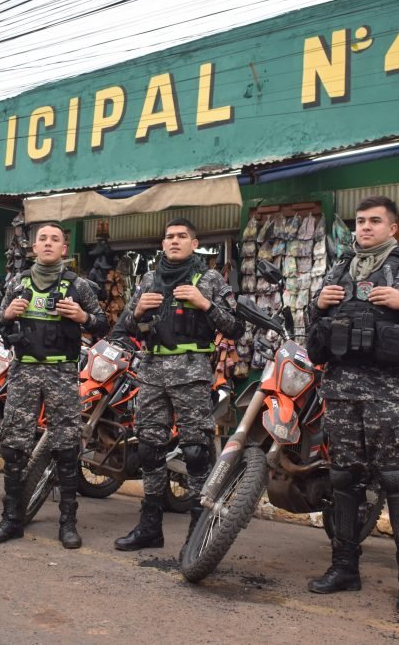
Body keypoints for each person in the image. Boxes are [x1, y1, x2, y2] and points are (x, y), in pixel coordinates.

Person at [306, 195, 399, 615]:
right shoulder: (339, 269)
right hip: (341, 390)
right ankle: (344, 568)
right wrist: (316, 305)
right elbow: (312, 327)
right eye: (360, 222)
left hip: (389, 394)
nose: (365, 228)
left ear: (394, 229)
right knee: (343, 480)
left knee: (396, 480)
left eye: (375, 221)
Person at [113, 218, 244, 553]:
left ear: (194, 242)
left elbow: (235, 328)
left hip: (191, 371)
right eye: (169, 236)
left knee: (196, 451)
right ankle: (149, 527)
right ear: (162, 243)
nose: (174, 241)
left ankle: (197, 534)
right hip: (153, 370)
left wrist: (205, 303)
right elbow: (124, 326)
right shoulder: (148, 279)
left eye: (181, 236)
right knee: (148, 447)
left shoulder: (211, 279)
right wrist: (138, 309)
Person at [0, 221, 109, 549]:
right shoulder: (17, 282)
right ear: (34, 247)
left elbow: (103, 325)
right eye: (44, 239)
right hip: (24, 372)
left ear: (64, 248)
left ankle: (68, 522)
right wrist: (8, 313)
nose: (50, 243)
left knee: (67, 448)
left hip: (61, 373)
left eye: (56, 239)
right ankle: (11, 520)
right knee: (13, 448)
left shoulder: (78, 286)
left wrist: (82, 317)